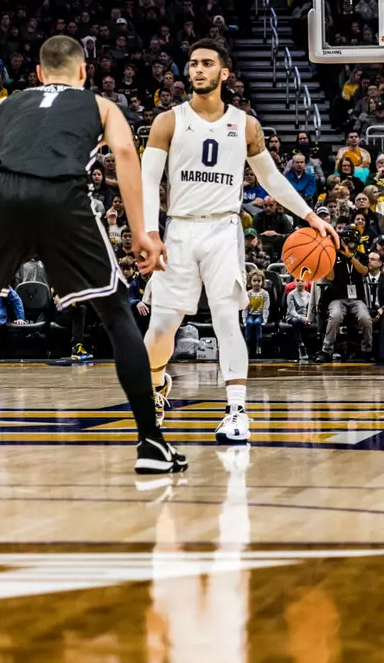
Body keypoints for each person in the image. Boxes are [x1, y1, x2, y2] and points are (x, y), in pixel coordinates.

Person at [0, 34, 183, 476]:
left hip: (2, 197)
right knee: (116, 314)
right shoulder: (100, 105)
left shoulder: (10, 102)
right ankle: (151, 443)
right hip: (63, 198)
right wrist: (140, 233)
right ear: (83, 72)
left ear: (37, 74)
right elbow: (127, 152)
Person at [140, 40, 335, 434]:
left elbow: (270, 179)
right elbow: (147, 180)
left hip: (224, 229)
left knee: (229, 319)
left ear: (224, 73)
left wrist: (310, 216)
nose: (198, 69)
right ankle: (156, 384)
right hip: (178, 228)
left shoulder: (245, 124)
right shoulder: (168, 121)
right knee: (161, 329)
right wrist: (149, 232)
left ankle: (236, 411)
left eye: (207, 63)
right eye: (193, 63)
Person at [317, 234, 375, 362]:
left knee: (366, 319)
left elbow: (364, 272)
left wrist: (349, 257)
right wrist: (331, 256)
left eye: (352, 239)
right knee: (335, 317)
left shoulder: (362, 256)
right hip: (337, 297)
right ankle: (326, 350)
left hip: (357, 298)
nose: (349, 242)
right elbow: (330, 278)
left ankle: (367, 350)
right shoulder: (334, 256)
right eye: (346, 240)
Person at [243, 268, 271, 356]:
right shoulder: (248, 294)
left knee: (257, 323)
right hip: (250, 314)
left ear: (262, 282)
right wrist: (244, 318)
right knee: (249, 323)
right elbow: (245, 307)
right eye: (254, 280)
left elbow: (266, 307)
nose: (256, 283)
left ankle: (259, 343)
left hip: (259, 315)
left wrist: (265, 318)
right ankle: (247, 344)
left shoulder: (265, 294)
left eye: (259, 281)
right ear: (250, 282)